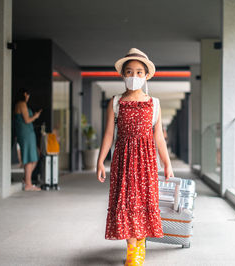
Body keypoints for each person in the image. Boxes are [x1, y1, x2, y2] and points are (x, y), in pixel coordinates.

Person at [96, 48, 174, 266]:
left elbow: (158, 137)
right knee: (127, 202)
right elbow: (109, 134)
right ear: (123, 75)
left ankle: (140, 244)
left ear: (147, 75)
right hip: (123, 160)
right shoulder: (115, 102)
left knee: (144, 201)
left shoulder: (154, 103)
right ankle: (133, 249)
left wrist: (167, 164)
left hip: (147, 161)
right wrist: (101, 160)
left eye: (139, 72)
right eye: (129, 72)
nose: (134, 76)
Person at [14, 88, 42, 191]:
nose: (28, 96)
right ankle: (28, 184)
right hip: (26, 133)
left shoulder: (19, 104)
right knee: (30, 158)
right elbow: (27, 120)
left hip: (27, 133)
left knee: (34, 156)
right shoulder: (22, 104)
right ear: (24, 94)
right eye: (28, 94)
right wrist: (35, 116)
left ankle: (26, 180)